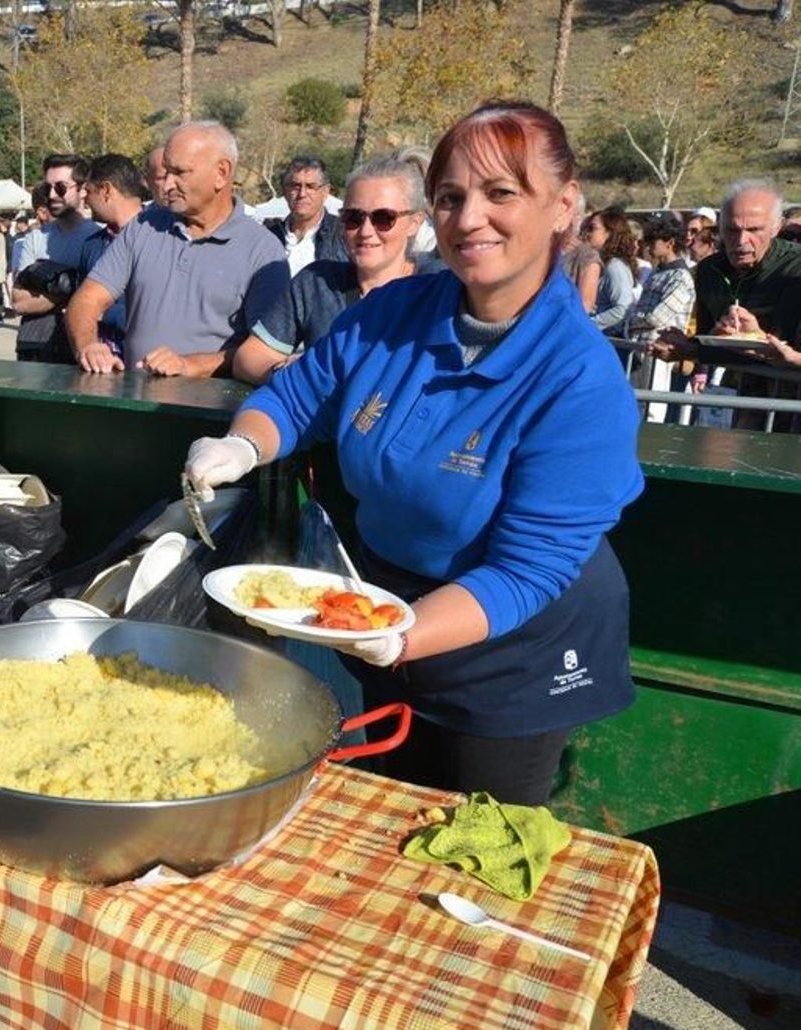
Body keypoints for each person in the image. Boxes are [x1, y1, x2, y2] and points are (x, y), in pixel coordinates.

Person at [185, 101, 643, 806]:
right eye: (451, 198)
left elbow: (527, 572)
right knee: (385, 810)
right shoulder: (390, 312)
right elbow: (296, 399)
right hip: (383, 607)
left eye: (501, 193)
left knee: (479, 834)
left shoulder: (580, 378)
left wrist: (400, 635)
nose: (469, 219)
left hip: (515, 649)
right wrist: (243, 444)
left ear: (563, 206)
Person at [69, 121, 289, 378]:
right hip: (132, 399)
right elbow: (87, 299)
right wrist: (88, 346)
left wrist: (191, 365)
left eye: (179, 173)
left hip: (211, 403)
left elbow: (264, 352)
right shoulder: (142, 227)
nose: (166, 185)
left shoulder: (264, 252)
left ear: (221, 172)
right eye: (166, 172)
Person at [236, 152, 432, 384]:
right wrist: (292, 376)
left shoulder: (439, 286)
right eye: (354, 218)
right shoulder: (317, 283)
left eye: (383, 218)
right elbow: (249, 358)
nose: (366, 231)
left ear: (415, 222)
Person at [650, 178, 801, 429]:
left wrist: (758, 338)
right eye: (732, 230)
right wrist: (684, 346)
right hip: (734, 397)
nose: (741, 241)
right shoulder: (708, 270)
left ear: (777, 227)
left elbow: (785, 347)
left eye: (754, 230)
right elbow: (707, 341)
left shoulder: (794, 269)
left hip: (788, 404)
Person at [12, 153, 100, 363]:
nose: (51, 195)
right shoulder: (35, 238)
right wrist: (70, 291)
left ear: (83, 189)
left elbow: (100, 303)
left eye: (60, 188)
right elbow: (19, 301)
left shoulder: (99, 237)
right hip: (35, 347)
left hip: (82, 350)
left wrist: (45, 287)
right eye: (47, 188)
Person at [76, 152, 147, 363]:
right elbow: (80, 305)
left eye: (88, 190)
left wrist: (104, 313)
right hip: (101, 367)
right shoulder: (91, 245)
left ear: (107, 190)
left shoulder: (163, 240)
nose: (83, 198)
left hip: (146, 366)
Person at [626, 214, 696, 418]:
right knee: (633, 406)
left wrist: (631, 320)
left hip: (661, 351)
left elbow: (658, 318)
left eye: (652, 241)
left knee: (652, 410)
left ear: (669, 243)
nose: (647, 246)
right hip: (640, 348)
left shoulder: (680, 277)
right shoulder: (657, 273)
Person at [265, 157, 349, 276]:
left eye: (310, 186)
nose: (302, 194)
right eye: (295, 186)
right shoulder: (269, 236)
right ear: (285, 191)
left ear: (325, 192)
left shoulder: (343, 235)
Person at [583, 205, 636, 335]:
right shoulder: (604, 264)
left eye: (593, 228)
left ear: (609, 233)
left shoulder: (615, 266)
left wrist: (587, 325)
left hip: (608, 338)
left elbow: (622, 309)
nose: (587, 234)